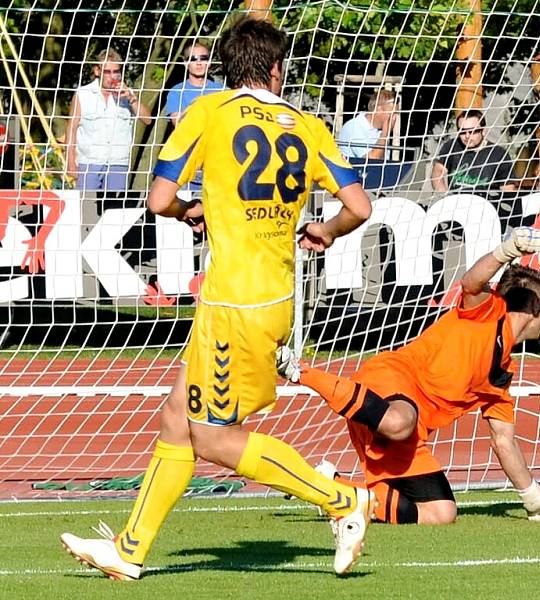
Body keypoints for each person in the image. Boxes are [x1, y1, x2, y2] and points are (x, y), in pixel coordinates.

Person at [60, 17, 376, 580]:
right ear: (276, 70)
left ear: (228, 69)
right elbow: (360, 205)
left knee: (211, 437)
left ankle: (343, 500)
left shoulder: (208, 112)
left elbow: (159, 199)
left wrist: (189, 211)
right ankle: (129, 550)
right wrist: (325, 232)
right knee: (178, 416)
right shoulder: (306, 124)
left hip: (234, 301)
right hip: (274, 295)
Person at [277, 226, 540, 525]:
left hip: (406, 432)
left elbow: (503, 440)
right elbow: (472, 281)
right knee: (399, 420)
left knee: (441, 513)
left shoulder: (502, 373)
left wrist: (532, 495)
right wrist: (509, 249)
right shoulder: (489, 310)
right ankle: (300, 370)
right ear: (535, 308)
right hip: (389, 384)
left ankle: (325, 484)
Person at [65, 49, 153, 198]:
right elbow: (71, 129)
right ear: (97, 71)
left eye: (116, 71)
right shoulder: (83, 94)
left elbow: (148, 119)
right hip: (89, 163)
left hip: (118, 164)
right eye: (107, 72)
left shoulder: (128, 94)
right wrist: (70, 162)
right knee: (88, 212)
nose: (112, 76)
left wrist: (132, 99)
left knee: (114, 214)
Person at [431, 109, 517, 193]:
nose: (467, 136)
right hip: (456, 203)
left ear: (483, 131)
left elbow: (508, 190)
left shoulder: (499, 154)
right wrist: (443, 196)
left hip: (486, 204)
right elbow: (437, 171)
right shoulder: (451, 146)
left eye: (472, 131)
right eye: (462, 131)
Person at [164, 41, 225, 127]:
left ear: (209, 62)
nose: (199, 63)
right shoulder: (177, 91)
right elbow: (179, 125)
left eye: (203, 58)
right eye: (193, 59)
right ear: (185, 63)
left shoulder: (222, 90)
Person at [338, 89, 397, 160]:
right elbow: (372, 160)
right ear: (379, 109)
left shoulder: (379, 132)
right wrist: (385, 134)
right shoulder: (354, 127)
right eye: (392, 114)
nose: (394, 118)